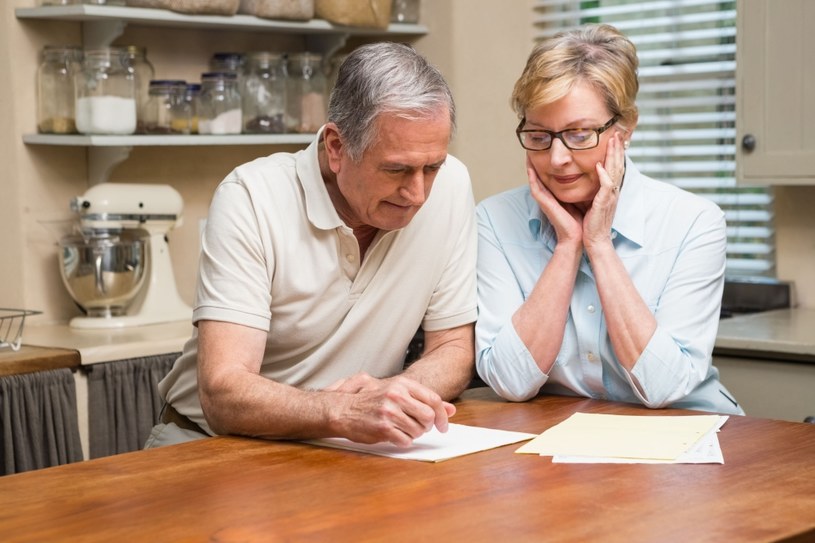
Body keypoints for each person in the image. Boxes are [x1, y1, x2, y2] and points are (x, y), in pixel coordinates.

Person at [146, 42, 477, 449]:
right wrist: (343, 411)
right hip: (213, 442)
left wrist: (395, 398)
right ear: (336, 147)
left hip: (352, 446)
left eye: (432, 167)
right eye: (396, 169)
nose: (418, 193)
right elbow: (223, 391)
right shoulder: (252, 196)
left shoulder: (452, 186)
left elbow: (455, 347)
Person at [475, 24, 743, 415]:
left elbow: (663, 387)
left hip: (686, 429)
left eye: (579, 135)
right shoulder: (494, 220)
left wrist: (598, 243)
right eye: (538, 135)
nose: (557, 159)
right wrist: (568, 245)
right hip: (558, 434)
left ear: (625, 128)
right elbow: (509, 382)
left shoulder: (694, 222)